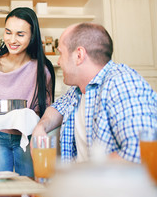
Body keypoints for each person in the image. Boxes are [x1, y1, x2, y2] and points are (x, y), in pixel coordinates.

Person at [32, 22, 157, 163]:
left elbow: (141, 154)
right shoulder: (77, 90)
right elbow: (57, 108)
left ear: (79, 55)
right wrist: (40, 127)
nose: (59, 62)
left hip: (111, 184)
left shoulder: (122, 83)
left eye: (61, 53)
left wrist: (79, 174)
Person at [0, 7, 55, 177]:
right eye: (8, 32)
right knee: (1, 191)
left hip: (27, 137)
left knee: (28, 188)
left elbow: (44, 110)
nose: (12, 40)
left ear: (32, 36)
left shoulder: (41, 70)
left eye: (20, 34)